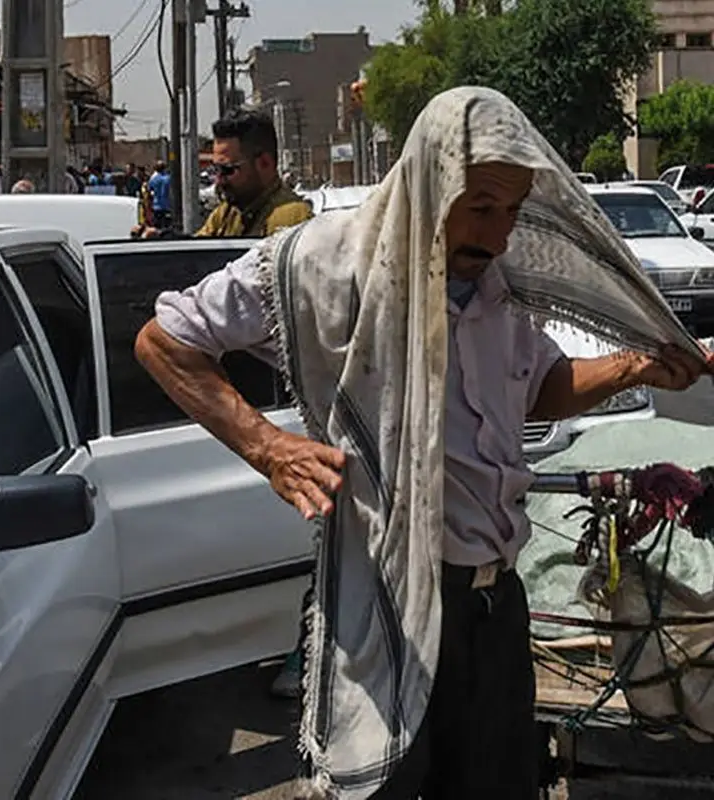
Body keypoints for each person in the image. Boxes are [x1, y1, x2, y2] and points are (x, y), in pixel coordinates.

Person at [133, 86, 714, 799]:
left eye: (510, 212)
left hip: (496, 609)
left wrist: (637, 366)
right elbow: (166, 342)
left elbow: (540, 388)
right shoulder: (326, 261)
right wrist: (268, 448)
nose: (498, 235)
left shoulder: (495, 284)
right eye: (479, 208)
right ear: (427, 182)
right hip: (389, 602)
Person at [139, 108, 310, 240]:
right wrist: (161, 239)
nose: (219, 180)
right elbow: (199, 253)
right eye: (216, 170)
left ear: (264, 163)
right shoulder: (227, 213)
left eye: (228, 170)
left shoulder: (293, 219)